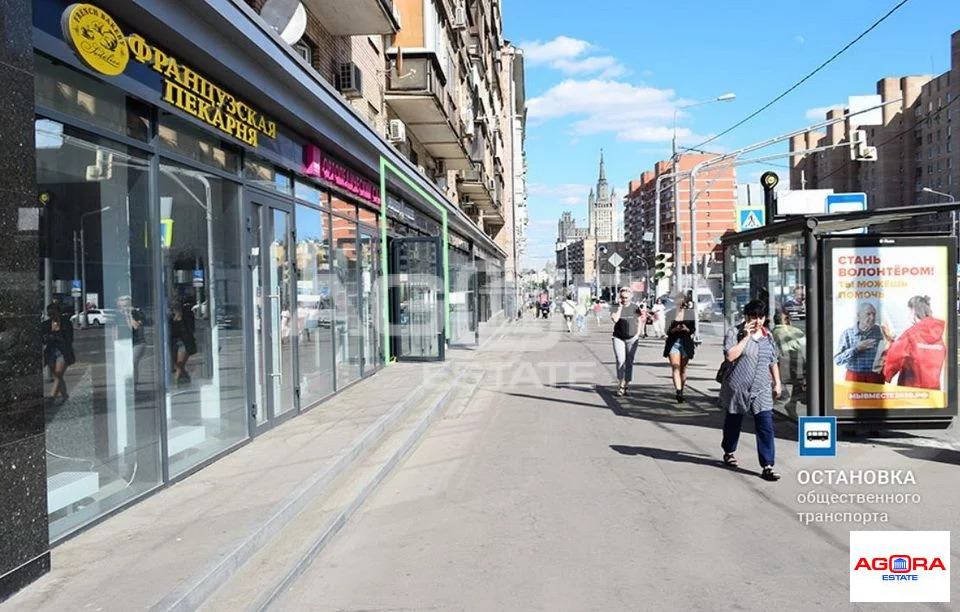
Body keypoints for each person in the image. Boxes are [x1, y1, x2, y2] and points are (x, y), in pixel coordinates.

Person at [719, 299, 782, 482]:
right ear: (746, 317)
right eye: (754, 317)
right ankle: (729, 451)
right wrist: (746, 337)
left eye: (761, 317)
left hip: (762, 388)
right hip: (738, 387)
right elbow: (730, 356)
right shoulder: (734, 332)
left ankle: (767, 465)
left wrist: (777, 382)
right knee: (733, 421)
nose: (757, 321)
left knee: (765, 425)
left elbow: (772, 361)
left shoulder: (767, 336)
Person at [882, 295, 946, 389]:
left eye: (909, 312)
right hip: (933, 392)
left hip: (911, 391)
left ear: (913, 311)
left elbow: (894, 357)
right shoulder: (940, 335)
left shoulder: (911, 334)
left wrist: (885, 376)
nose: (908, 316)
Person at [834, 302, 885, 384]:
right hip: (854, 377)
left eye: (874, 314)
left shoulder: (881, 331)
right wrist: (857, 349)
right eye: (868, 314)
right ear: (859, 315)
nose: (872, 318)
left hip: (876, 377)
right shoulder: (848, 334)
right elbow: (838, 360)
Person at [610, 288, 643, 396]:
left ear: (631, 297)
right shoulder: (615, 306)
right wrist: (620, 307)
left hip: (632, 338)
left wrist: (638, 333)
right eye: (622, 297)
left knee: (629, 362)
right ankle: (620, 384)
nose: (624, 300)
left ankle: (626, 384)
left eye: (626, 298)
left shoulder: (635, 307)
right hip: (618, 337)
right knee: (620, 360)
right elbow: (615, 319)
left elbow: (640, 320)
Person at [663, 297, 696, 403]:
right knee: (675, 367)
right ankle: (678, 392)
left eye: (683, 303)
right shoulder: (670, 314)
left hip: (685, 343)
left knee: (683, 369)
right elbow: (667, 331)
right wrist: (675, 329)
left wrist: (686, 329)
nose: (682, 305)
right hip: (673, 343)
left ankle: (681, 388)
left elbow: (692, 330)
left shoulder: (690, 314)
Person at [41, 303, 75, 404]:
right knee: (56, 376)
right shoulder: (46, 324)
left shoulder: (65, 323)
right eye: (49, 314)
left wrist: (56, 337)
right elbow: (42, 339)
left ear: (58, 312)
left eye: (53, 313)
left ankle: (52, 398)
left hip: (63, 352)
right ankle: (65, 396)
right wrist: (46, 338)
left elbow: (69, 339)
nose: (51, 316)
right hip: (51, 352)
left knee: (58, 374)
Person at [118, 295, 146, 385]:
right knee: (125, 364)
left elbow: (134, 327)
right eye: (121, 306)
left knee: (133, 362)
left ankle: (134, 382)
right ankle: (129, 382)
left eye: (126, 305)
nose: (124, 308)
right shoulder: (119, 315)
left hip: (138, 343)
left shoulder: (137, 313)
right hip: (124, 343)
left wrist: (129, 315)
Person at [169, 301, 197, 384]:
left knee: (180, 364)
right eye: (174, 309)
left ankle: (175, 382)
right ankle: (186, 378)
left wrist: (180, 318)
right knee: (176, 364)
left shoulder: (186, 317)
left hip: (184, 342)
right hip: (174, 341)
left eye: (176, 309)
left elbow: (191, 329)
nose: (175, 311)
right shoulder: (170, 317)